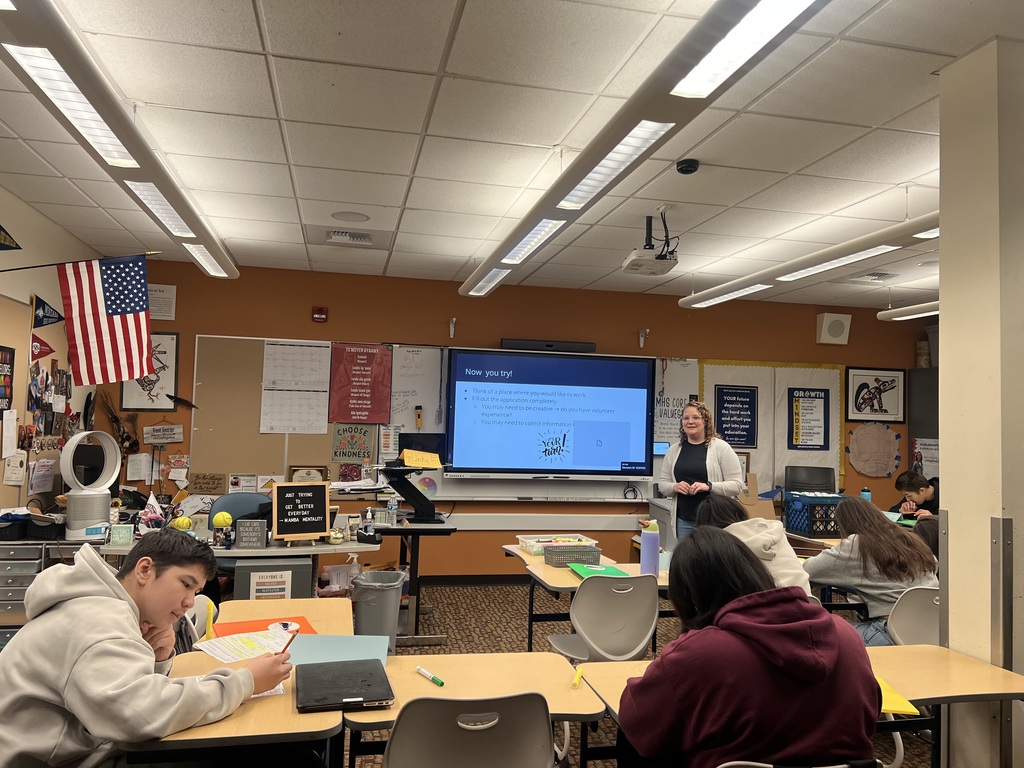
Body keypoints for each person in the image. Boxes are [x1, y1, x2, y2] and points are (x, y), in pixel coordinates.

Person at [0, 529, 293, 768]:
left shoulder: (102, 606)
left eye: (196, 592)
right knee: (274, 757)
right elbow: (139, 717)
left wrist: (157, 659)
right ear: (144, 569)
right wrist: (246, 682)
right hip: (59, 761)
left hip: (81, 747)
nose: (190, 602)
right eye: (185, 584)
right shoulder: (100, 623)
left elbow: (119, 697)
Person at [617, 528, 880, 768]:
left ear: (690, 598)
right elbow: (871, 712)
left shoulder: (698, 654)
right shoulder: (846, 634)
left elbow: (636, 718)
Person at [803, 496, 938, 646]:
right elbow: (934, 565)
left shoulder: (857, 544)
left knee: (816, 635)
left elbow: (808, 570)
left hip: (890, 634)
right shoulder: (912, 539)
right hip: (933, 632)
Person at [658, 401, 743, 542]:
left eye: (696, 417)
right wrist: (675, 487)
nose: (690, 422)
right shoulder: (674, 450)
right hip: (683, 521)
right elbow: (663, 484)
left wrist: (709, 487)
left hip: (715, 521)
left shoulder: (721, 448)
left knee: (714, 561)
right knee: (688, 562)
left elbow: (737, 485)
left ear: (705, 421)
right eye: (686, 418)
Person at [695, 495, 811, 595]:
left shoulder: (719, 548)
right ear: (740, 513)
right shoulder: (775, 531)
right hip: (809, 605)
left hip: (769, 612)